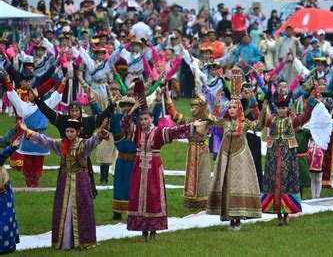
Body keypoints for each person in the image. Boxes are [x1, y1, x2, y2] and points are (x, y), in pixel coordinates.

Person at [120, 99, 204, 242]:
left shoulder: (159, 132)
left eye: (146, 119)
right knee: (138, 197)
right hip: (139, 169)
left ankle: (153, 231)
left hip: (154, 169)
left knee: (153, 197)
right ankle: (143, 232)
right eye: (141, 119)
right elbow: (123, 125)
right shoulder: (136, 132)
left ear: (152, 119)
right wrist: (133, 109)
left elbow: (175, 131)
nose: (144, 121)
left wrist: (191, 126)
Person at [20, 118, 110, 250]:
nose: (69, 134)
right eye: (67, 131)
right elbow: (45, 141)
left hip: (81, 182)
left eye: (72, 131)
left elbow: (94, 140)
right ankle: (64, 242)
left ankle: (83, 241)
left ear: (78, 132)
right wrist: (27, 131)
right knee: (63, 209)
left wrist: (101, 131)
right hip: (64, 180)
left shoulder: (83, 145)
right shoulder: (61, 144)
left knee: (81, 209)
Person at [207, 68, 266, 231]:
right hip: (226, 158)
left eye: (234, 107)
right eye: (230, 107)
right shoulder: (224, 123)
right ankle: (229, 217)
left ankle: (238, 219)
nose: (232, 109)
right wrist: (217, 102)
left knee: (239, 185)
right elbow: (212, 120)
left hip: (241, 158)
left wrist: (263, 111)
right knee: (227, 185)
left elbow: (259, 126)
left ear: (239, 109)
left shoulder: (245, 123)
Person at [261, 92, 314, 225]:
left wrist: (310, 104)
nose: (281, 110)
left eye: (283, 108)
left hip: (288, 155)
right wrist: (257, 106)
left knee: (287, 182)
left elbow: (304, 118)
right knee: (274, 182)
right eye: (279, 108)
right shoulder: (272, 120)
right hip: (273, 156)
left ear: (288, 109)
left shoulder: (292, 121)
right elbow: (259, 118)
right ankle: (278, 214)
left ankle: (286, 213)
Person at [165, 89, 213, 209]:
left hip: (202, 151)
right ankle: (191, 201)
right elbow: (174, 116)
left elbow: (210, 112)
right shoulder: (189, 121)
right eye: (191, 107)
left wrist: (203, 100)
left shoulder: (207, 121)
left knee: (203, 175)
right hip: (191, 150)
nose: (192, 109)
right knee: (191, 176)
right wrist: (168, 99)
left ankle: (203, 201)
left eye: (195, 107)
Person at [0, 137, 21, 254]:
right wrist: (12, 148)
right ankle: (4, 246)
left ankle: (6, 245)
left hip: (3, 189)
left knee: (7, 216)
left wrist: (14, 131)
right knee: (4, 218)